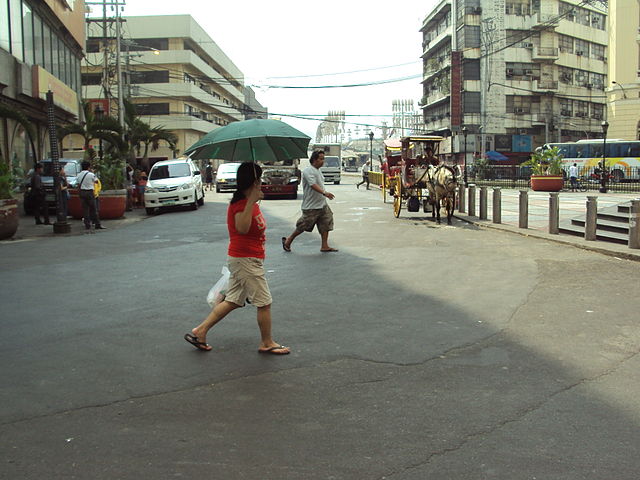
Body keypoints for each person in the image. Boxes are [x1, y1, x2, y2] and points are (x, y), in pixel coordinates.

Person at [184, 162, 290, 355]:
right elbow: (241, 228)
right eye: (260, 178)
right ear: (253, 181)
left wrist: (255, 200)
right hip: (245, 259)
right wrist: (251, 201)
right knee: (264, 302)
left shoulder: (250, 201)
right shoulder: (241, 203)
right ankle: (267, 342)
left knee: (233, 300)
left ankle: (200, 331)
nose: (262, 182)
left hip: (247, 258)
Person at [282, 150, 337, 253]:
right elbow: (313, 185)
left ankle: (324, 246)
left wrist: (324, 195)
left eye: (323, 158)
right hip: (311, 206)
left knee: (326, 222)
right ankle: (288, 241)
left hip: (322, 204)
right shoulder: (308, 171)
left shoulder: (318, 170)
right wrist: (325, 193)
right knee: (302, 226)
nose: (323, 161)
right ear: (315, 160)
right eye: (321, 159)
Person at [76, 161, 103, 233]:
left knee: (85, 209)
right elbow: (96, 181)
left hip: (82, 192)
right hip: (90, 192)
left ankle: (87, 225)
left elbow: (78, 184)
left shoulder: (78, 175)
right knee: (94, 209)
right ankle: (97, 224)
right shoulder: (91, 174)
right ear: (88, 167)